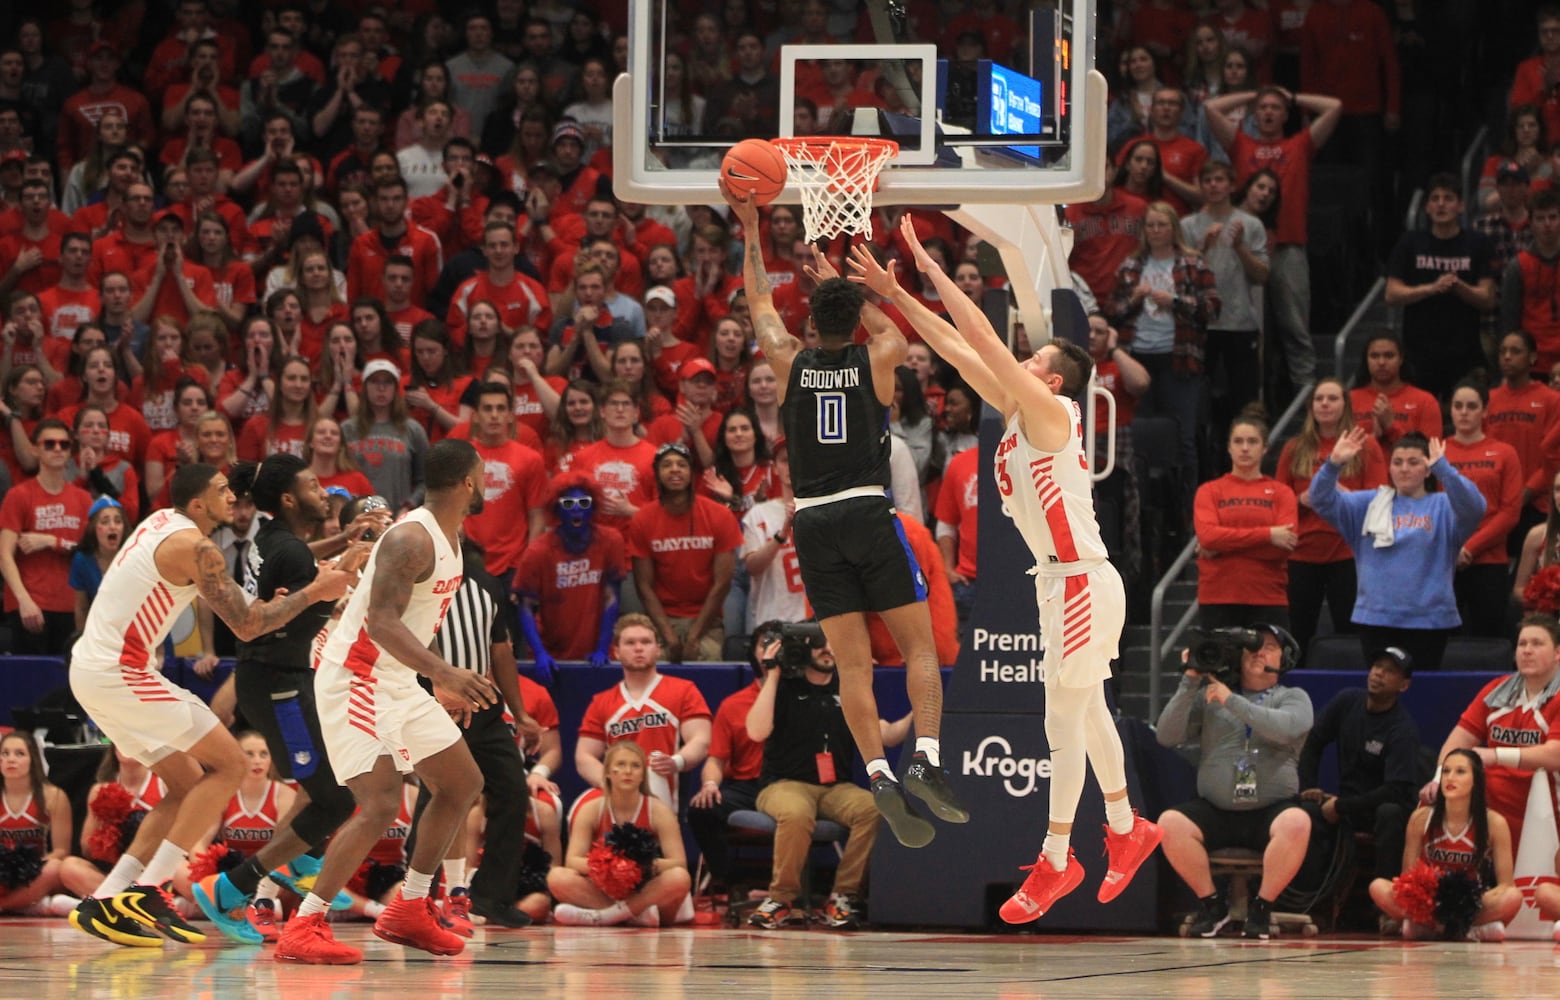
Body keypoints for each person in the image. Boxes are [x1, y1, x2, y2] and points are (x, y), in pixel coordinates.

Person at [848, 217, 1161, 919]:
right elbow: (957, 348)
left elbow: (983, 340)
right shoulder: (1016, 410)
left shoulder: (1051, 413)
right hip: (1063, 582)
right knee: (1086, 715)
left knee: (1061, 721)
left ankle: (1057, 858)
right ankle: (1126, 828)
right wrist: (897, 291)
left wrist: (932, 270)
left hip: (1079, 578)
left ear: (1050, 377)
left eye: (1032, 355)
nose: (1016, 358)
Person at [721, 182, 965, 850]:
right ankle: (928, 760)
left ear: (811, 325)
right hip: (865, 511)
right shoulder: (878, 356)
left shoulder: (789, 361)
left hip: (813, 522)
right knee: (917, 647)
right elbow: (893, 326)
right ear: (852, 318)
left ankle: (879, 771)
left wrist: (750, 228)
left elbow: (759, 301)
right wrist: (857, 285)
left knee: (852, 666)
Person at [64, 462, 352, 948]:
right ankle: (150, 889)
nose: (232, 497)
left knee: (184, 785)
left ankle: (107, 899)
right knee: (232, 764)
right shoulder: (195, 547)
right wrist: (316, 592)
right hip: (120, 671)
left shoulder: (163, 524)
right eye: (221, 491)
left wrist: (291, 595)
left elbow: (245, 606)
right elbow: (247, 625)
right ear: (198, 504)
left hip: (93, 670)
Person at [274, 439, 498, 964]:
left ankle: (410, 908)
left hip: (397, 677)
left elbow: (417, 621)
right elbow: (381, 621)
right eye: (483, 474)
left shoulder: (449, 534)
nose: (487, 482)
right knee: (378, 804)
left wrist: (434, 680)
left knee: (463, 782)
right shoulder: (411, 538)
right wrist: (443, 672)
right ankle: (304, 923)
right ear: (468, 480)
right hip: (357, 676)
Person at [187, 454, 378, 945]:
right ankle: (236, 884)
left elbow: (305, 557)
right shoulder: (291, 553)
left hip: (279, 680)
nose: (326, 493)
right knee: (335, 801)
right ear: (290, 498)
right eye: (315, 486)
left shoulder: (274, 538)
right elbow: (296, 588)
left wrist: (344, 542)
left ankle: (298, 863)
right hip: (280, 685)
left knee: (328, 789)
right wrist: (334, 582)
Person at [407, 538, 541, 931]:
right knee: (438, 796)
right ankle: (420, 897)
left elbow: (501, 651)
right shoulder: (414, 584)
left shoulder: (486, 583)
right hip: (433, 707)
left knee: (513, 792)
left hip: (484, 707)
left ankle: (490, 897)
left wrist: (521, 713)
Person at [1156, 624, 1314, 940]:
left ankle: (1262, 908)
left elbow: (1285, 728)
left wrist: (1232, 702)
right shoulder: (1210, 695)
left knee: (1297, 822)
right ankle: (1212, 905)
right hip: (1217, 810)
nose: (1259, 651)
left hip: (1270, 810)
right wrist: (1190, 681)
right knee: (1170, 823)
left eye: (1269, 646)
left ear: (1285, 657)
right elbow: (1166, 735)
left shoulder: (1292, 697)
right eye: (1252, 646)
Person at [745, 629, 909, 930]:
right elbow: (756, 731)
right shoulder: (783, 685)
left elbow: (887, 735)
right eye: (819, 644)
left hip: (836, 788)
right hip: (783, 783)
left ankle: (843, 896)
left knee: (876, 806)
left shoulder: (848, 688)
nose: (827, 650)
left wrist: (921, 712)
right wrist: (773, 673)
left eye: (833, 643)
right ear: (803, 649)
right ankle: (781, 899)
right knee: (796, 813)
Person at [1310, 428, 1485, 669]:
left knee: (1422, 692)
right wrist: (1333, 464)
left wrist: (1444, 469)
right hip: (1376, 618)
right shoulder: (1368, 504)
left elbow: (1475, 507)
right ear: (1389, 468)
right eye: (1397, 462)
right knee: (1380, 692)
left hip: (1429, 621)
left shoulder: (1444, 506)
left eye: (1413, 462)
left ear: (1427, 469)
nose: (1404, 469)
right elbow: (1320, 499)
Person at [1298, 646, 1421, 931]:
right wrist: (1310, 787)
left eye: (1389, 671)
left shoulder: (1402, 729)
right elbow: (1313, 741)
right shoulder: (1347, 701)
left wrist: (1341, 806)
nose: (1378, 673)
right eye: (1377, 666)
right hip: (1346, 802)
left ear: (1403, 685)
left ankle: (1384, 908)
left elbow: (1394, 790)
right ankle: (1310, 903)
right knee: (1304, 812)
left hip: (1381, 806)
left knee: (1390, 814)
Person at [1421, 615, 1560, 858]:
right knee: (1432, 801)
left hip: (1544, 802)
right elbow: (1455, 743)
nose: (1527, 651)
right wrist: (1437, 778)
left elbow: (1555, 755)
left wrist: (1494, 755)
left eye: (1537, 644)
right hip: (1492, 799)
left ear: (1558, 653)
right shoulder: (1497, 690)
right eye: (1522, 644)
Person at [1107, 200, 1221, 494]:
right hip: (1138, 356)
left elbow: (1211, 310)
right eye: (1150, 225)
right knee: (1139, 432)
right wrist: (1133, 300)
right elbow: (1112, 312)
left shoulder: (1193, 263)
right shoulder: (1132, 265)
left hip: (1180, 357)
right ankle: (1144, 501)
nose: (1156, 230)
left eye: (1162, 225)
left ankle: (1188, 507)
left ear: (1174, 228)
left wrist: (1176, 303)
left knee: (1184, 435)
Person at [1275, 379, 1387, 661]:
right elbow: (1277, 502)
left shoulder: (1366, 445)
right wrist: (1300, 500)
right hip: (1302, 553)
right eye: (1319, 399)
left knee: (1351, 635)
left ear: (1345, 405)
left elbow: (1382, 498)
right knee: (1296, 633)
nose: (1325, 404)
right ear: (1311, 407)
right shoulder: (1294, 448)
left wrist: (1345, 496)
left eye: (1332, 398)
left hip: (1348, 552)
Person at [1370, 749, 1522, 941]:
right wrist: (1425, 899)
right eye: (1446, 771)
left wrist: (1470, 902)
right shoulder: (1420, 818)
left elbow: (1506, 884)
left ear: (1476, 780)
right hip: (1430, 902)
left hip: (1470, 904)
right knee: (1378, 887)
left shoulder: (1494, 823)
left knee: (1513, 897)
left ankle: (1431, 930)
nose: (1450, 778)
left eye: (1460, 771)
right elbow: (1406, 879)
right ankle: (1468, 932)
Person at [546, 741, 692, 926]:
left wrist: (637, 867)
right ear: (607, 773)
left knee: (679, 878)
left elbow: (679, 863)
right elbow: (572, 861)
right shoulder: (591, 809)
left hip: (646, 890)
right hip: (606, 889)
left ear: (642, 776)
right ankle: (634, 917)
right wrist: (610, 867)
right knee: (557, 877)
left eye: (635, 766)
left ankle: (606, 917)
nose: (628, 771)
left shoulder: (659, 811)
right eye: (621, 765)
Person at [574, 614, 712, 809]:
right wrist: (612, 784)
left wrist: (676, 762)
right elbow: (584, 756)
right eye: (630, 643)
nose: (638, 648)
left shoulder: (684, 690)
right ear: (617, 652)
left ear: (657, 650)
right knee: (580, 810)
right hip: (618, 794)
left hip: (663, 788)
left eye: (646, 642)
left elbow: (701, 739)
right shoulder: (602, 701)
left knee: (653, 776)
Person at [1384, 175, 1496, 402]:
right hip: (1419, 353)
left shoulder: (1477, 243)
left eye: (1448, 198)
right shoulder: (1410, 242)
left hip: (1464, 351)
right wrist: (1432, 288)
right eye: (1435, 199)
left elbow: (1488, 299)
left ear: (1461, 206)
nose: (1441, 204)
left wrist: (1459, 286)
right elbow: (1391, 294)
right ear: (1426, 207)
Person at [626, 442, 742, 663]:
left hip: (707, 620)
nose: (675, 469)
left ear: (691, 474)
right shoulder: (643, 519)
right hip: (661, 620)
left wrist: (694, 637)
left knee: (707, 658)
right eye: (667, 465)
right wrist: (669, 637)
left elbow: (723, 583)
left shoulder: (719, 516)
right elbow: (643, 586)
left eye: (681, 464)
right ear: (657, 474)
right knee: (652, 662)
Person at [514, 474, 626, 679]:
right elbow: (525, 606)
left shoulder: (611, 541)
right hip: (553, 652)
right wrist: (539, 653)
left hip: (597, 654)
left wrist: (602, 647)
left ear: (594, 507)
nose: (576, 508)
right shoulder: (538, 551)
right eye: (568, 503)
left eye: (584, 502)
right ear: (556, 509)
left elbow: (612, 597)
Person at [1195, 413, 1298, 629]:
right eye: (1238, 441)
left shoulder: (1283, 493)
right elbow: (1208, 538)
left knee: (1267, 663)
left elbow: (1283, 548)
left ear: (1265, 448)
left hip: (1268, 597)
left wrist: (1224, 546)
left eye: (1252, 441)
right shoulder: (1209, 491)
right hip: (1218, 597)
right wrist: (1269, 535)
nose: (1244, 448)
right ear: (1229, 447)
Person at [687, 631, 770, 899]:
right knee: (701, 808)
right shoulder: (733, 705)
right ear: (753, 653)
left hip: (789, 784)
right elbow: (716, 758)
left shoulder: (805, 699)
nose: (771, 651)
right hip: (747, 787)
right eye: (765, 644)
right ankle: (729, 880)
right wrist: (710, 783)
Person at [0, 419, 94, 654]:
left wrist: (52, 542)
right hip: (31, 606)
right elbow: (4, 554)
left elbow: (89, 551)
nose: (58, 449)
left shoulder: (83, 499)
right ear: (35, 449)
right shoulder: (19, 495)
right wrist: (23, 600)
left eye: (64, 444)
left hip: (72, 605)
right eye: (49, 444)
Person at [1442, 382, 1523, 637]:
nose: (1464, 412)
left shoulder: (1505, 453)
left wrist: (1470, 548)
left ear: (1485, 411)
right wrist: (1454, 548)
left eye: (1472, 406)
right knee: (1444, 640)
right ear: (1451, 411)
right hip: (1445, 561)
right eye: (1458, 406)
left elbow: (1510, 512)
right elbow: (1430, 505)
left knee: (1489, 639)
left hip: (1489, 560)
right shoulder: (1437, 452)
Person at [0, 730, 74, 915]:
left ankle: (7, 905)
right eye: (5, 753)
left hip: (36, 872)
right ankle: (32, 905)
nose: (11, 759)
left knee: (56, 868)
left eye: (20, 754)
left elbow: (61, 851)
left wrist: (32, 866)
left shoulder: (53, 796)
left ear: (33, 759)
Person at [1349, 334, 1441, 452]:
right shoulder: (1350, 399)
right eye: (1374, 356)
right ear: (1366, 360)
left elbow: (1431, 456)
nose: (1381, 362)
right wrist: (1373, 438)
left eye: (1389, 355)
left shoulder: (1425, 401)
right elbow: (1336, 451)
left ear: (1401, 359)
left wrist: (1391, 427)